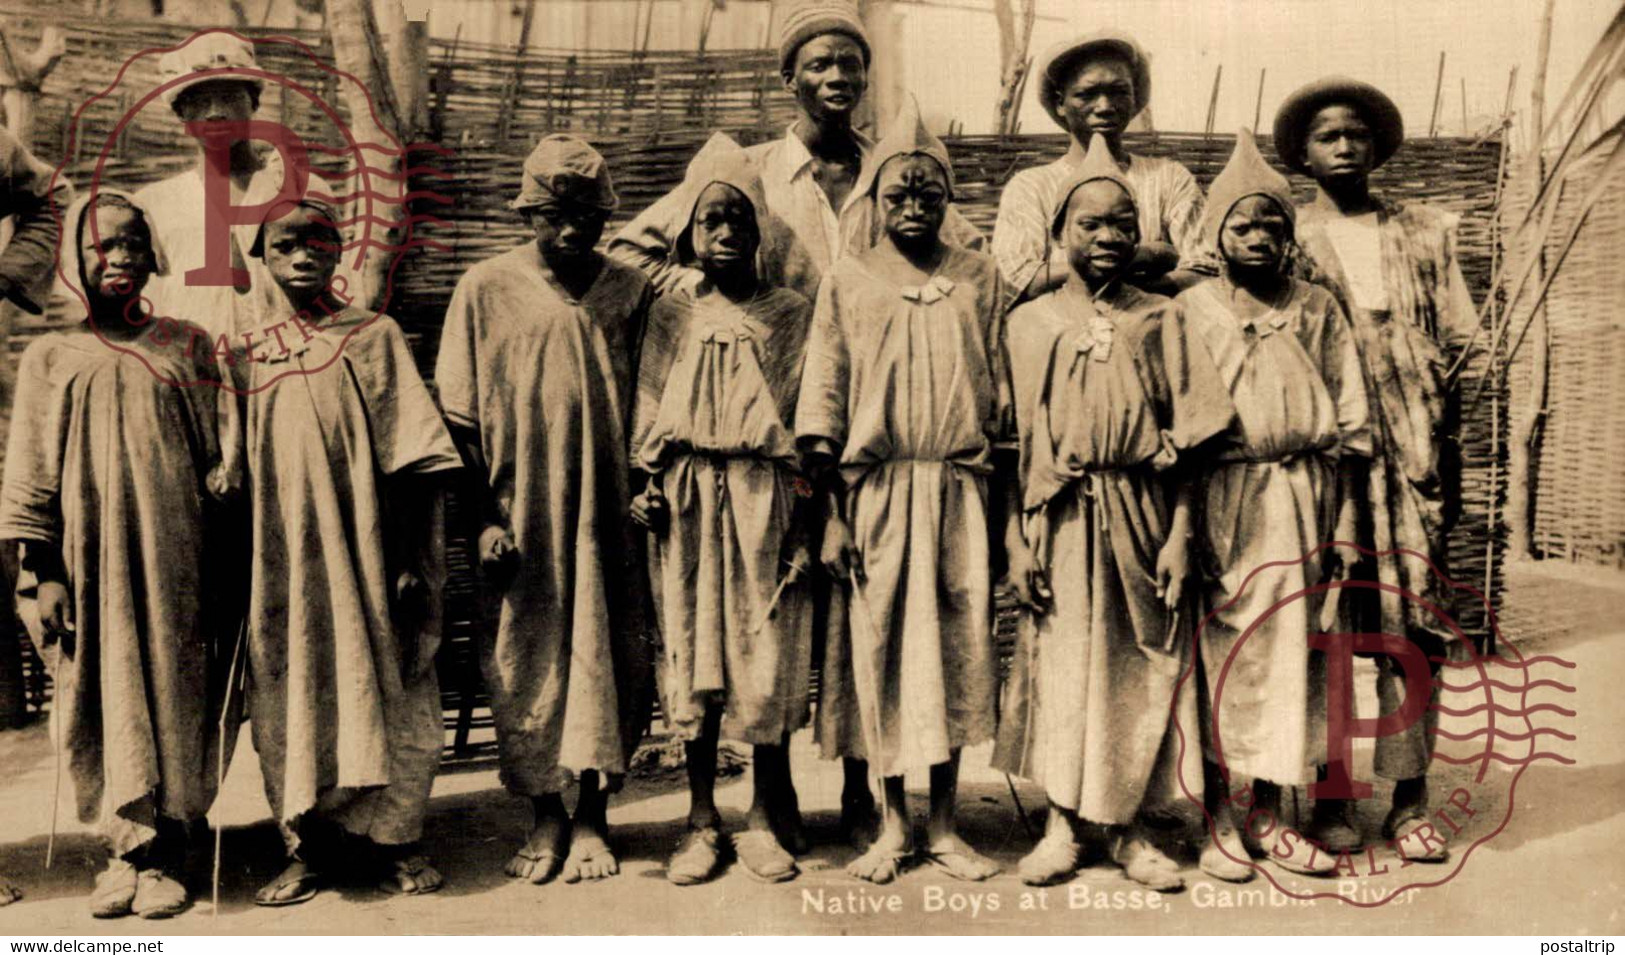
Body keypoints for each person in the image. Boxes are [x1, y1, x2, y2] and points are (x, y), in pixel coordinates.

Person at [991, 134, 1235, 891]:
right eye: (1089, 224)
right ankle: (1063, 822)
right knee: (1061, 666)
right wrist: (1014, 541)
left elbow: (1195, 435)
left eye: (1121, 224)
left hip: (1143, 510)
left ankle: (1128, 827)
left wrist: (1179, 533)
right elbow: (1006, 444)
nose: (1106, 238)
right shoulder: (1025, 322)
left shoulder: (1162, 315)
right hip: (1057, 518)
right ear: (1059, 233)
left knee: (1140, 666)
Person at [795, 100, 1012, 885]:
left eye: (928, 193)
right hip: (875, 495)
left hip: (959, 489)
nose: (914, 206)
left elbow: (1005, 402)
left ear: (947, 199)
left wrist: (1004, 519)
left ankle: (946, 823)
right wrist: (830, 515)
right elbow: (822, 400)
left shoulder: (981, 279)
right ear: (876, 202)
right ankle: (891, 824)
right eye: (898, 194)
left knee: (956, 653)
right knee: (880, 654)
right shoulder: (847, 279)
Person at [0, 190, 233, 919]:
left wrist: (225, 525)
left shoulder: (187, 345)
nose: (121, 258)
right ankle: (123, 850)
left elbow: (218, 460)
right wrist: (42, 575)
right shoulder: (52, 356)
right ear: (74, 260)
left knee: (175, 688)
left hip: (178, 561)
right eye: (104, 246)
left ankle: (171, 851)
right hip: (89, 566)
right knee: (102, 693)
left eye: (134, 244)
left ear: (154, 256)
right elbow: (30, 474)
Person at [435, 135, 655, 887]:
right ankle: (544, 813)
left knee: (608, 652)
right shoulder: (486, 287)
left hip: (609, 508)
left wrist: (642, 486)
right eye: (554, 214)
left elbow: (651, 399)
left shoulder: (629, 290)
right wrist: (484, 519)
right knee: (524, 655)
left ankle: (594, 811)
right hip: (518, 505)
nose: (571, 230)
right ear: (529, 211)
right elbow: (458, 419)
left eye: (587, 216)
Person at [236, 198, 461, 905]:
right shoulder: (249, 353)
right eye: (285, 244)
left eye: (319, 242)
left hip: (370, 555)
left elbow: (417, 457)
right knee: (294, 686)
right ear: (261, 257)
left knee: (390, 683)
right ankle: (311, 845)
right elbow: (231, 463)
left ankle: (398, 840)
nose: (303, 256)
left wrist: (404, 559)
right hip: (288, 563)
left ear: (339, 253)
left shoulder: (372, 335)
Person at [1275, 78, 1477, 861]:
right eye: (1327, 135)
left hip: (1412, 453)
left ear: (1378, 146)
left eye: (1357, 133)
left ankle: (1408, 797)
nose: (1344, 146)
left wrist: (1442, 443)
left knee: (1410, 625)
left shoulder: (1425, 232)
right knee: (1327, 622)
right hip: (1327, 456)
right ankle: (1331, 798)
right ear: (1300, 153)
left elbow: (1462, 343)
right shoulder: (1285, 236)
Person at [1176, 130, 1371, 877]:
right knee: (1228, 650)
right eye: (1241, 224)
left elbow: (1350, 424)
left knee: (1295, 653)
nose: (1257, 237)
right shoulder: (1191, 309)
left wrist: (1345, 520)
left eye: (1271, 225)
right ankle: (1218, 813)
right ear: (1214, 235)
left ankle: (1268, 809)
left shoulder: (1316, 306)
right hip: (1224, 494)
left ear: (1290, 237)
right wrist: (1186, 519)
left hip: (1304, 496)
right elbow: (1183, 422)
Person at [630, 133, 816, 885]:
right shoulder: (671, 311)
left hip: (762, 498)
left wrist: (804, 521)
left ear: (762, 228)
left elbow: (807, 428)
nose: (727, 233)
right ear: (687, 232)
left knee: (764, 660)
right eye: (710, 220)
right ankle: (700, 817)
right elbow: (646, 408)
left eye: (740, 219)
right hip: (684, 502)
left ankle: (761, 817)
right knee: (691, 655)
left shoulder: (789, 312)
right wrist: (645, 483)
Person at [992, 30, 1207, 306]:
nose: (1105, 106)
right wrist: (1144, 256)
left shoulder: (1169, 178)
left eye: (1119, 92)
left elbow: (1205, 270)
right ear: (1060, 103)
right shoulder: (1031, 187)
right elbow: (1016, 278)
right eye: (1087, 94)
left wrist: (1129, 294)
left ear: (1134, 97)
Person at [135, 32, 284, 340]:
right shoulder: (153, 206)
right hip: (190, 375)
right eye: (200, 102)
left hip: (289, 371)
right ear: (181, 114)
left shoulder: (294, 193)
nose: (216, 112)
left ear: (254, 103)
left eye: (230, 97)